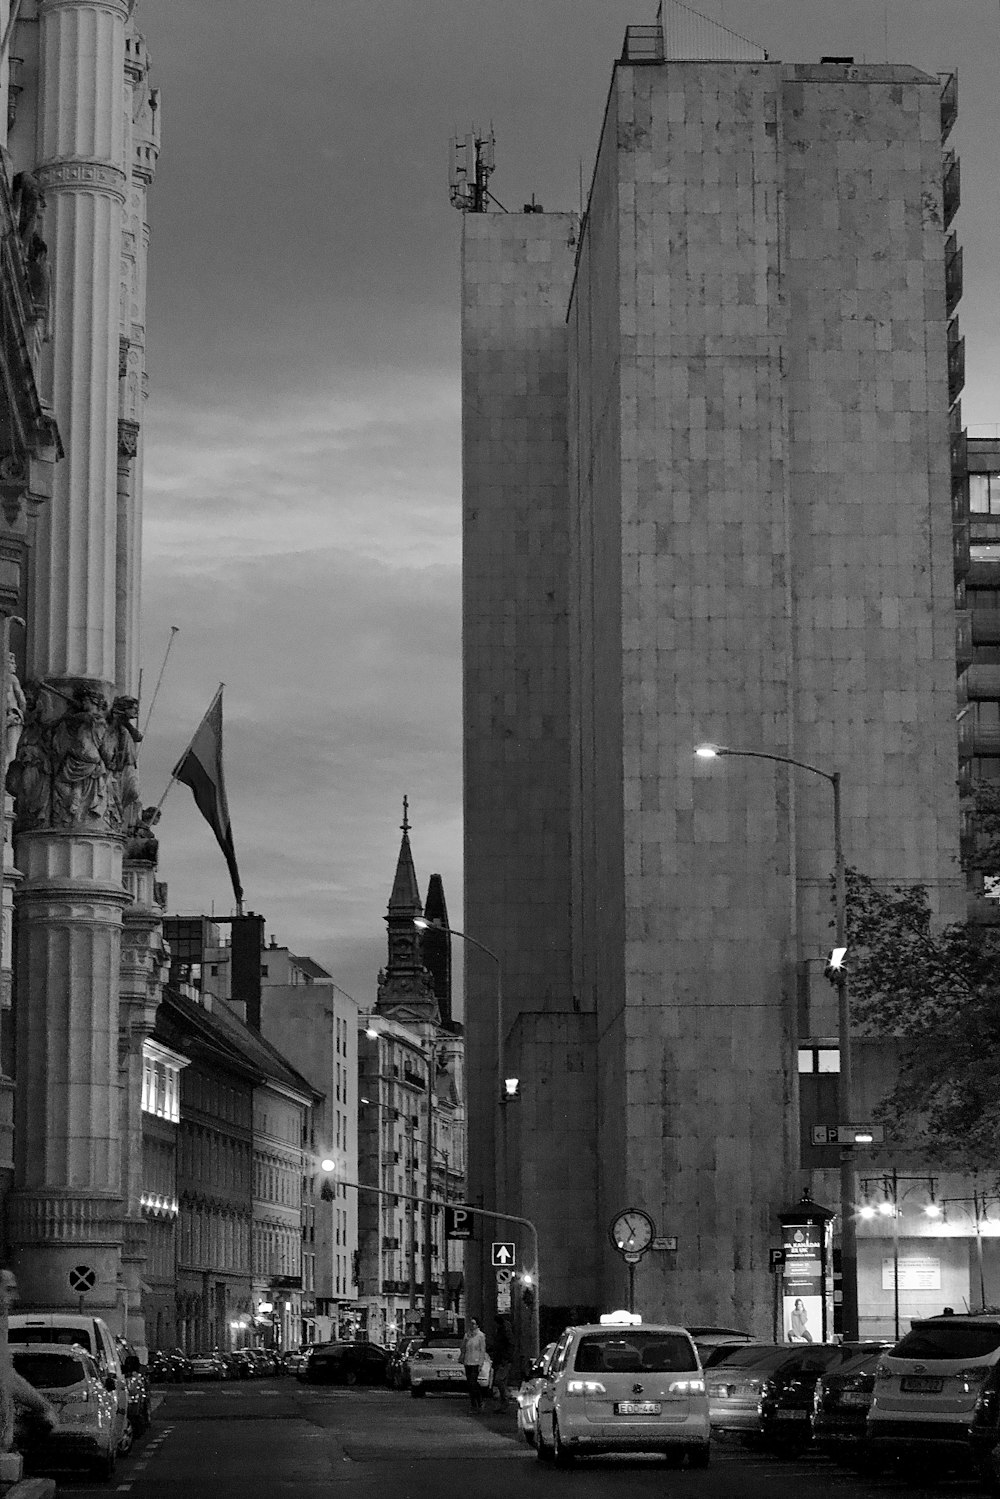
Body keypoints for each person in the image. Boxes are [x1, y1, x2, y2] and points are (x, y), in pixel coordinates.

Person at [460, 1318, 487, 1411]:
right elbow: (463, 1348)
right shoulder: (467, 1335)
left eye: (474, 1324)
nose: (472, 1326)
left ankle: (479, 1401)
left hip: (476, 1362)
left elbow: (482, 1350)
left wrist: (480, 1363)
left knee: (473, 1382)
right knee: (469, 1384)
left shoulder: (480, 1336)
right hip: (468, 1361)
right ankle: (473, 1404)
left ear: (477, 1325)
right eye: (471, 1324)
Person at [491, 1315, 514, 1406]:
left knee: (499, 1380)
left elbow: (510, 1345)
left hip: (504, 1360)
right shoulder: (501, 1331)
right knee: (501, 1381)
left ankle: (505, 1398)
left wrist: (506, 1357)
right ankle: (503, 1403)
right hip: (500, 1359)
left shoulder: (505, 1332)